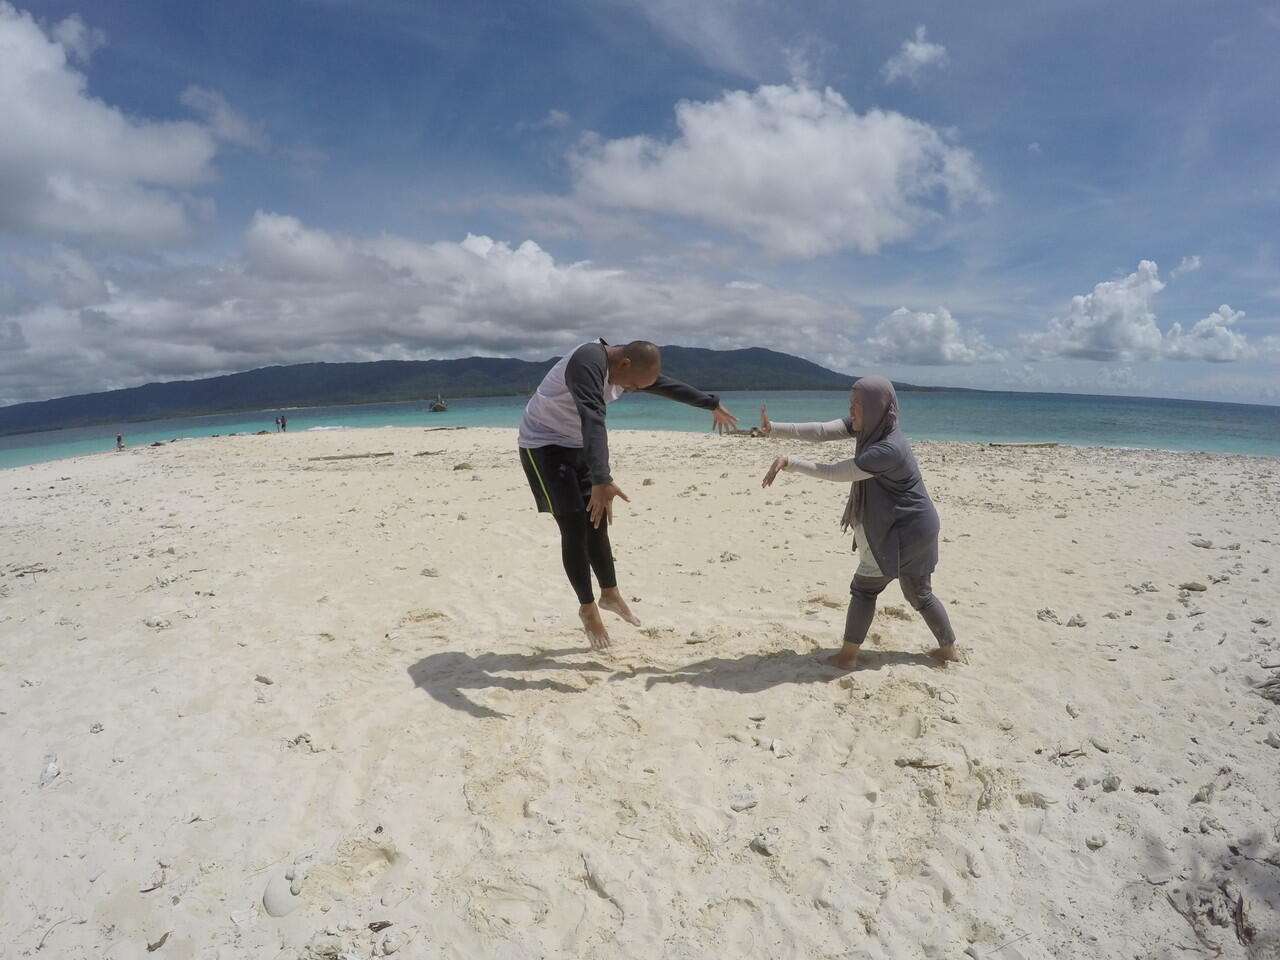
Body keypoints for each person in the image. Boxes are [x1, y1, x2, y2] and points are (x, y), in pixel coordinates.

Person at [518, 339, 738, 649]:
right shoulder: (587, 362)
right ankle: (588, 608)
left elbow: (664, 386)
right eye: (633, 385)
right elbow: (592, 416)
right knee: (573, 527)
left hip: (577, 444)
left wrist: (710, 403)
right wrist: (602, 478)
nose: (633, 390)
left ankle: (609, 594)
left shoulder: (626, 368)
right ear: (624, 364)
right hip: (543, 446)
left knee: (596, 521)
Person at [760, 376, 960, 669]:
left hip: (902, 530)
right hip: (919, 525)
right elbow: (821, 431)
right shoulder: (873, 428)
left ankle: (846, 657)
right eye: (851, 404)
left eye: (857, 405)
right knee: (918, 592)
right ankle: (949, 650)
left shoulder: (888, 449)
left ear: (875, 407)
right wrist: (774, 429)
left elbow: (836, 472)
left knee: (865, 589)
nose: (851, 410)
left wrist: (789, 463)